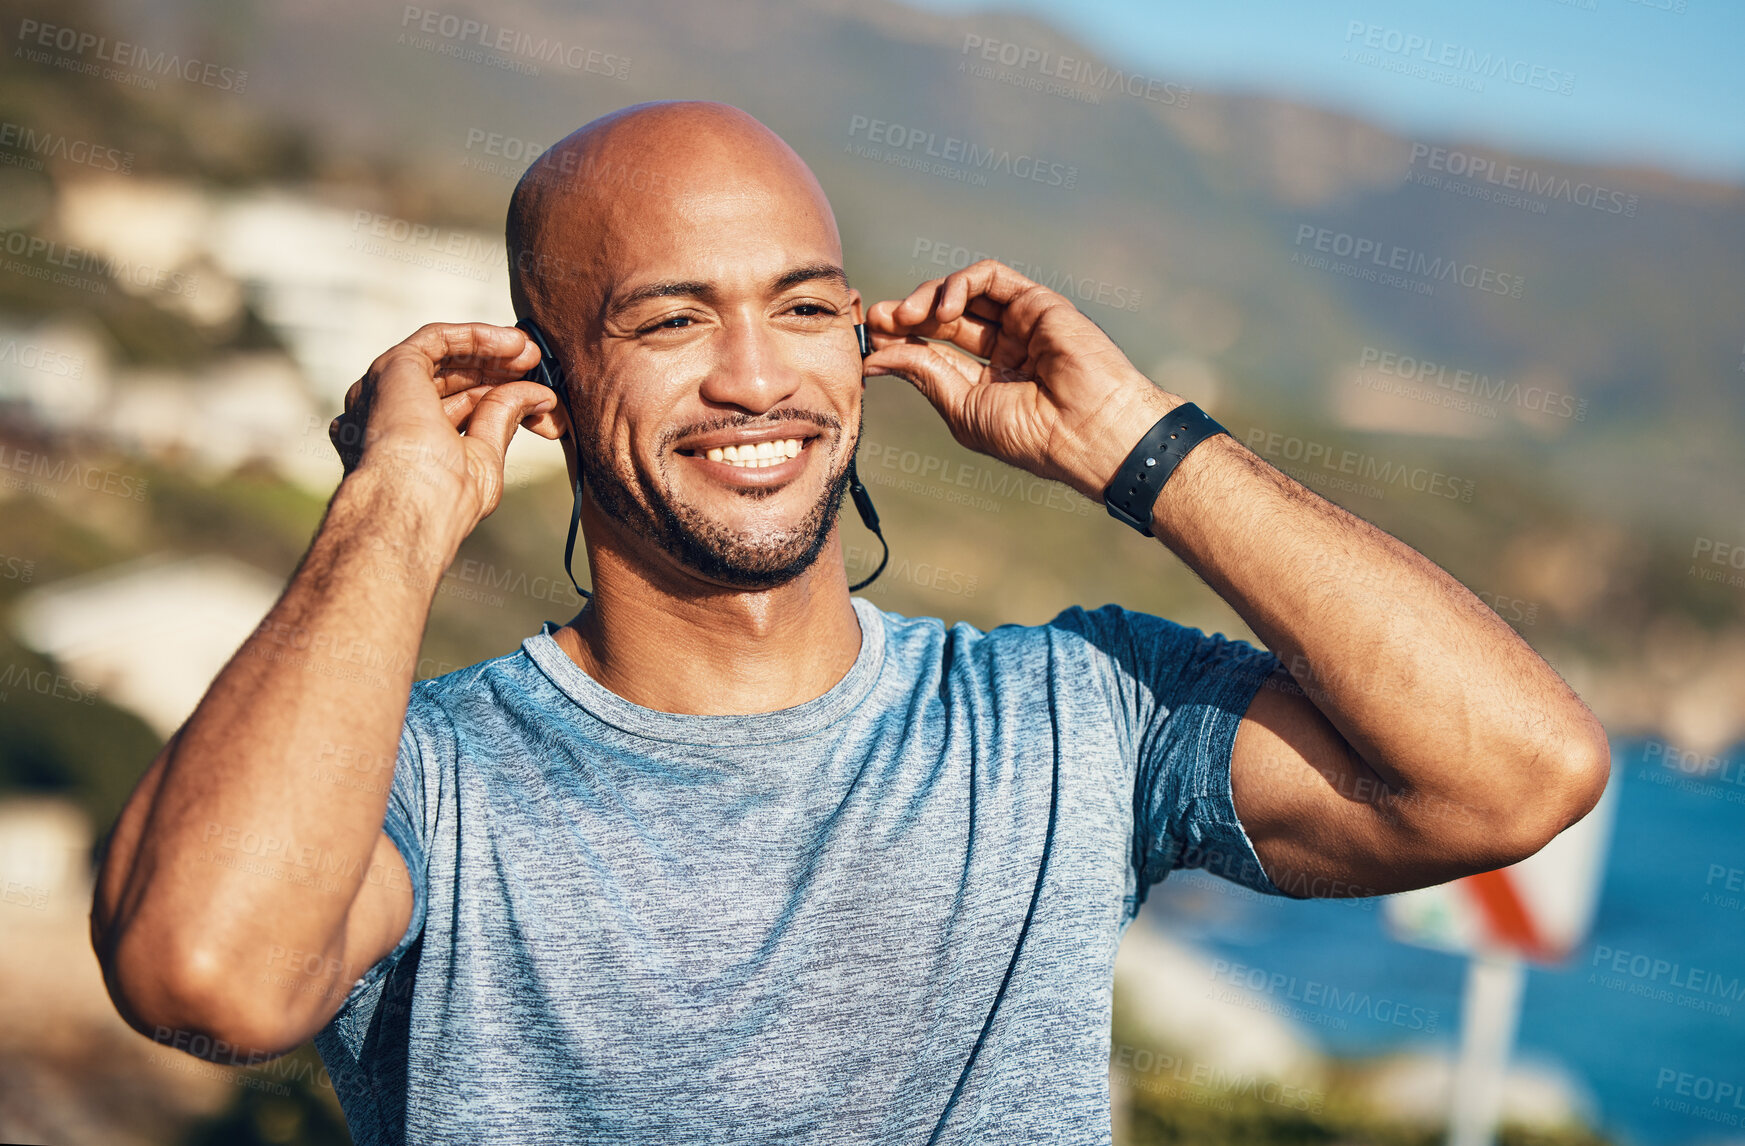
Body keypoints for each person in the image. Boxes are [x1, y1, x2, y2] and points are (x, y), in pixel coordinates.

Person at [90, 101, 1609, 1143]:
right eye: (671, 320)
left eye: (806, 306)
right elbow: (204, 974)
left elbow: (1512, 773)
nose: (759, 377)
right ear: (539, 384)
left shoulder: (1073, 712)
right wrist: (393, 507)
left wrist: (1133, 442)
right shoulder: (423, 775)